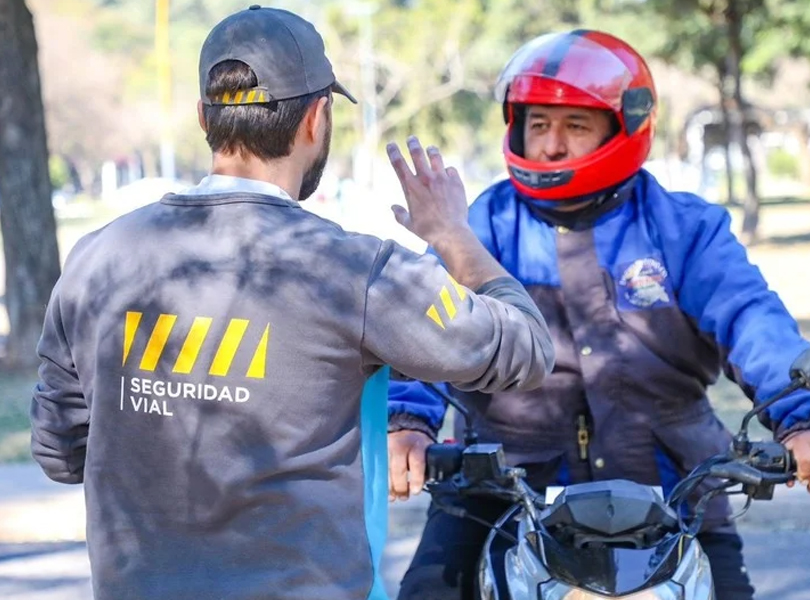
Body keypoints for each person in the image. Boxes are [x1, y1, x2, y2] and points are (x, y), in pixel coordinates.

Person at [28, 7, 555, 600]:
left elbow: (60, 449)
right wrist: (453, 236)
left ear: (205, 117)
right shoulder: (355, 273)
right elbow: (528, 350)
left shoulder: (97, 256)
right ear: (315, 119)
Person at [386, 30, 810, 600]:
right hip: (502, 490)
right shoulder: (480, 227)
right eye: (538, 125)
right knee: (426, 592)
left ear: (624, 128)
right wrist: (405, 424)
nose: (551, 147)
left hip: (673, 492)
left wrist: (808, 417)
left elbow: (753, 320)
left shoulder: (686, 229)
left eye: (575, 126)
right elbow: (427, 331)